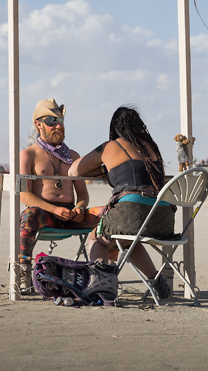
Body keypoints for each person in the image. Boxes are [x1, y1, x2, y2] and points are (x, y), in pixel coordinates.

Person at [68, 105, 175, 300]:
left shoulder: (111, 146)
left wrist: (103, 168)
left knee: (97, 238)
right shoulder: (152, 148)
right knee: (127, 240)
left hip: (134, 212)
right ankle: (157, 282)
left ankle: (103, 287)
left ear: (115, 128)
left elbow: (73, 171)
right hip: (164, 219)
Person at [17, 98, 103, 295]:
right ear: (38, 124)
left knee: (108, 215)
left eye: (61, 121)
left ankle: (102, 272)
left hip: (72, 215)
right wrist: (55, 209)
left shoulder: (72, 155)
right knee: (29, 217)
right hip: (45, 214)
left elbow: (82, 194)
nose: (58, 126)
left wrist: (80, 208)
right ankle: (23, 271)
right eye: (51, 121)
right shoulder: (28, 155)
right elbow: (25, 195)